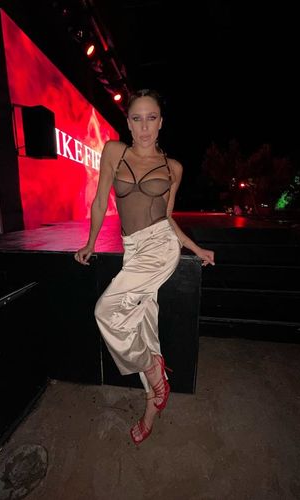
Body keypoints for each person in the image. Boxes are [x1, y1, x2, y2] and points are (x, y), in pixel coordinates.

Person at [74, 89, 215, 445]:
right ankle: (154, 400)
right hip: (133, 250)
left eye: (151, 118)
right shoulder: (114, 151)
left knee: (106, 311)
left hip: (160, 248)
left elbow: (167, 218)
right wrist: (90, 242)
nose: (144, 126)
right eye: (137, 119)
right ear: (128, 123)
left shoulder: (173, 168)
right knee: (144, 328)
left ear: (161, 122)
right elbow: (100, 200)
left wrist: (195, 247)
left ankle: (152, 368)